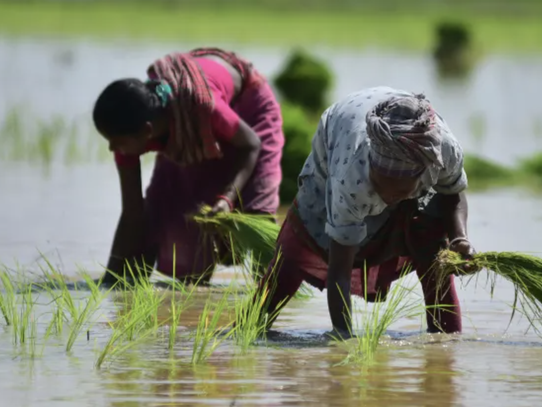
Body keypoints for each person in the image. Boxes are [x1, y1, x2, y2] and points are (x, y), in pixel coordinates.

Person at [253, 86, 476, 337]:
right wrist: (343, 335)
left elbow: (453, 194)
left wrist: (460, 239)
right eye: (381, 184)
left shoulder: (444, 152)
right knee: (300, 244)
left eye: (399, 191)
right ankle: (251, 326)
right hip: (338, 137)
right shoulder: (351, 176)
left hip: (405, 135)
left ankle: (446, 339)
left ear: (421, 174)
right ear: (372, 168)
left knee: (433, 248)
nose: (388, 196)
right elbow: (339, 271)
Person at [92, 48, 284, 287]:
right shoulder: (135, 130)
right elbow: (132, 212)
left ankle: (274, 295)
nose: (112, 148)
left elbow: (251, 145)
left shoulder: (204, 107)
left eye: (117, 142)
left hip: (248, 109)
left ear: (148, 132)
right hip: (191, 121)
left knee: (257, 213)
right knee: (167, 211)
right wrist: (110, 278)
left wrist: (227, 197)